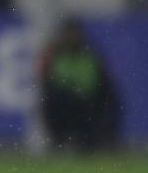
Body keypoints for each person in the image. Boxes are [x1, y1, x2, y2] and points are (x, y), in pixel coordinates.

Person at [39, 18, 120, 152]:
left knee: (105, 102)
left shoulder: (89, 55)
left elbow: (97, 84)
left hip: (87, 103)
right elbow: (49, 82)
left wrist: (77, 90)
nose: (72, 37)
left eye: (74, 33)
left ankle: (93, 141)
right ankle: (59, 141)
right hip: (64, 105)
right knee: (51, 99)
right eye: (69, 33)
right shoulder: (56, 55)